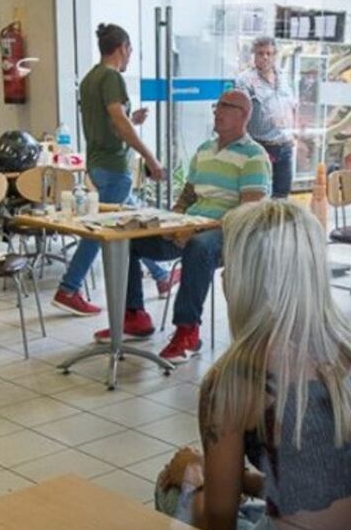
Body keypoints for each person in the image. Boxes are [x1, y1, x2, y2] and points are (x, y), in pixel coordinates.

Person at [154, 200, 351, 530]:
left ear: (247, 279)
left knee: (169, 490)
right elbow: (322, 482)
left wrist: (192, 480)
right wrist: (243, 481)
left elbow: (219, 525)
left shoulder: (234, 380)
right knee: (254, 509)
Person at [92, 89, 271, 362]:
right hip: (191, 224)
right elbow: (188, 195)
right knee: (126, 238)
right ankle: (134, 315)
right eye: (217, 105)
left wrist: (197, 229)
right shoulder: (204, 150)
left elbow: (248, 211)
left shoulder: (254, 156)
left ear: (244, 114)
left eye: (225, 106)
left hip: (229, 233)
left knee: (199, 247)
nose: (217, 111)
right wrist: (173, 220)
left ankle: (188, 331)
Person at [51, 23, 174, 317]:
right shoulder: (112, 77)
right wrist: (152, 159)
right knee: (103, 229)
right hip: (114, 165)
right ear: (122, 48)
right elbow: (118, 122)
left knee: (130, 221)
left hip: (97, 162)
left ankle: (161, 277)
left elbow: (111, 122)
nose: (130, 55)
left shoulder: (91, 78)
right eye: (130, 50)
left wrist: (133, 119)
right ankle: (68, 288)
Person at [235, 36, 297, 199]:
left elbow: (293, 106)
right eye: (260, 53)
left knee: (282, 195)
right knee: (260, 195)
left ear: (275, 55)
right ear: (253, 56)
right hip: (261, 146)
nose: (265, 57)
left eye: (269, 53)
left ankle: (279, 225)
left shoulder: (284, 77)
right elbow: (240, 113)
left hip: (285, 145)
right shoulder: (245, 80)